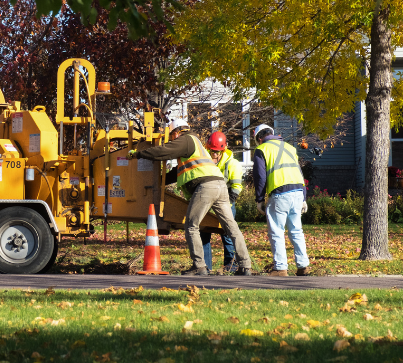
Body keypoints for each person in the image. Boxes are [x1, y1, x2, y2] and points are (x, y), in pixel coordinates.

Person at [128, 119, 253, 276]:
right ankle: (245, 266)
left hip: (206, 186)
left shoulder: (187, 139)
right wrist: (155, 181)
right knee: (231, 227)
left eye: (171, 136)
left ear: (176, 132)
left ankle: (199, 266)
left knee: (191, 225)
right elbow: (176, 173)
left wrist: (138, 154)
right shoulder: (195, 146)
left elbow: (162, 151)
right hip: (219, 186)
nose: (172, 140)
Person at [252, 124, 310, 277]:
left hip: (279, 193)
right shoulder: (289, 148)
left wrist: (259, 199)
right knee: (296, 230)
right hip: (298, 192)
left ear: (259, 138)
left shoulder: (262, 150)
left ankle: (280, 268)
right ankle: (303, 266)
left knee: (277, 231)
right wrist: (304, 198)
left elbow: (260, 177)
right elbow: (299, 172)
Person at [201, 131, 240, 272]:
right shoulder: (204, 161)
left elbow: (236, 187)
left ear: (223, 150)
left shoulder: (232, 164)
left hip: (226, 203)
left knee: (228, 235)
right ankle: (206, 267)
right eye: (212, 151)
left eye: (217, 152)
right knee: (204, 234)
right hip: (207, 203)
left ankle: (231, 266)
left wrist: (227, 204)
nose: (214, 155)